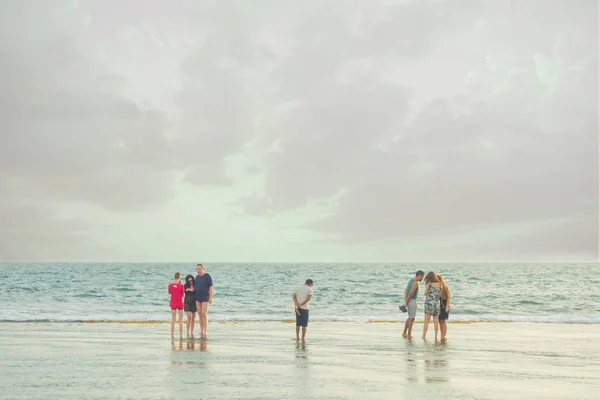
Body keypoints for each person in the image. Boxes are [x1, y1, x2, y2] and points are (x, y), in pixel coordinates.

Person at [402, 270, 425, 339]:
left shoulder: (411, 280)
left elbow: (406, 290)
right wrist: (406, 303)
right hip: (412, 301)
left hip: (409, 300)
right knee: (412, 318)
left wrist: (405, 299)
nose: (422, 279)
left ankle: (404, 332)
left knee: (409, 317)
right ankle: (409, 334)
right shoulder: (415, 283)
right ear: (419, 275)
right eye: (422, 277)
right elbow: (411, 293)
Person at [194, 264, 214, 339]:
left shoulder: (207, 276)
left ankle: (205, 330)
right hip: (197, 297)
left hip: (205, 297)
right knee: (199, 313)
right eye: (197, 269)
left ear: (202, 268)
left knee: (204, 313)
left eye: (199, 269)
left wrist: (211, 297)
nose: (198, 270)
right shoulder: (197, 277)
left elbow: (211, 287)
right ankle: (201, 330)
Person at [422, 271, 442, 341]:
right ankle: (436, 336)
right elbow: (440, 295)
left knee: (426, 321)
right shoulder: (440, 284)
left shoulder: (429, 284)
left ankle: (424, 336)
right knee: (436, 321)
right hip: (436, 303)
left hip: (429, 303)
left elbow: (425, 293)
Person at [168, 272, 185, 340]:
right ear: (179, 277)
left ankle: (172, 334)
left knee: (173, 319)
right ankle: (181, 335)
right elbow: (183, 294)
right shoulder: (182, 285)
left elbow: (170, 292)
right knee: (181, 320)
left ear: (174, 277)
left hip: (173, 303)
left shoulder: (170, 285)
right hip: (180, 303)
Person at [437, 274, 451, 340]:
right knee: (440, 321)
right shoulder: (437, 287)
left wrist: (447, 307)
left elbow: (448, 298)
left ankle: (443, 336)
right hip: (438, 305)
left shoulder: (445, 288)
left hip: (445, 304)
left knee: (443, 321)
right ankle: (442, 335)